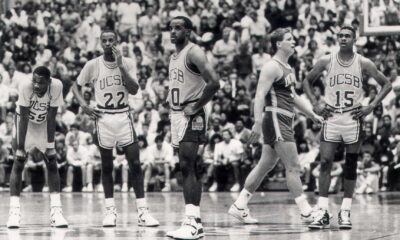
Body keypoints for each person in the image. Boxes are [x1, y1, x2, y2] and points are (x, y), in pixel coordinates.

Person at [228, 28, 323, 224]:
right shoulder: (271, 66)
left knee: (266, 165)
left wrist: (311, 114)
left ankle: (239, 205)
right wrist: (257, 121)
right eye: (289, 39)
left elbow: (293, 96)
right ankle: (306, 212)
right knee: (294, 167)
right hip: (275, 118)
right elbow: (259, 96)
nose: (294, 41)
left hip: (284, 118)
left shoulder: (288, 67)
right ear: (279, 44)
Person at [303, 25, 392, 229]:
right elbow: (306, 81)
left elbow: (386, 84)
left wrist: (371, 106)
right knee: (325, 162)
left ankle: (345, 211)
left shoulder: (363, 62)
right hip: (332, 116)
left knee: (351, 164)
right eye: (340, 36)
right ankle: (323, 210)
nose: (343, 39)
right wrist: (315, 104)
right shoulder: (327, 60)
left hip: (353, 117)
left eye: (347, 36)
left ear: (354, 39)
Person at [72, 29, 159, 227]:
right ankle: (110, 211)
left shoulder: (128, 62)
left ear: (117, 41)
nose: (108, 43)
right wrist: (83, 105)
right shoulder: (92, 65)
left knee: (135, 164)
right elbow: (75, 87)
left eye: (112, 40)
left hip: (123, 116)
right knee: (107, 166)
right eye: (105, 40)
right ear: (100, 43)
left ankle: (143, 212)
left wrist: (120, 66)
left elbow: (135, 89)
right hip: (103, 117)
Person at [165, 16, 220, 239]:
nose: (172, 32)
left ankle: (193, 223)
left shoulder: (194, 52)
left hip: (192, 113)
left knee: (189, 165)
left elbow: (215, 82)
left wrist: (196, 105)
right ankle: (192, 220)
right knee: (185, 166)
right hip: (177, 113)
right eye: (170, 28)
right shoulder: (174, 55)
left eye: (178, 28)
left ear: (188, 31)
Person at [7, 66, 68, 228]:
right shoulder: (25, 85)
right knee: (18, 162)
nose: (36, 86)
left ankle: (56, 211)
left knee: (52, 160)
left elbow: (52, 116)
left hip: (43, 124)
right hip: (24, 124)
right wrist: (20, 147)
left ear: (49, 82)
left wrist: (50, 146)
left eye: (40, 83)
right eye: (34, 81)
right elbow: (24, 116)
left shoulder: (57, 86)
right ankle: (14, 212)